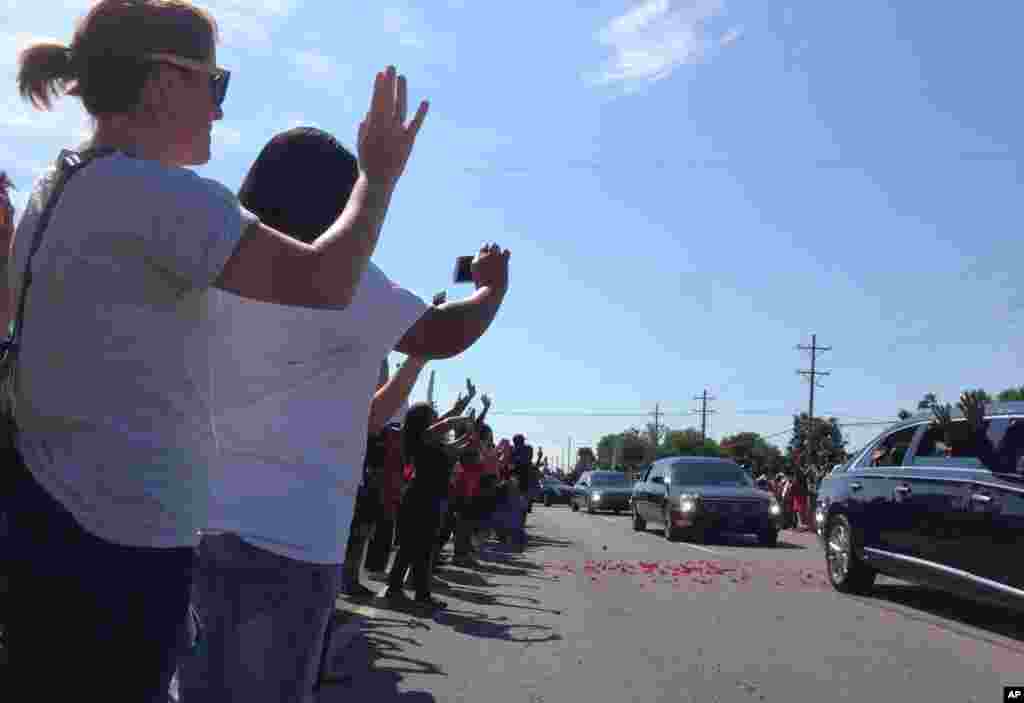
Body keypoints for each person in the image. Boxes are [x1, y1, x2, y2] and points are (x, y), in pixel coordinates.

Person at [5, 1, 426, 698]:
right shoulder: (158, 195)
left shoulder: (55, 188)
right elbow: (327, 279)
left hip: (49, 535)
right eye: (216, 83)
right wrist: (375, 180)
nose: (221, 113)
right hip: (121, 561)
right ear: (164, 81)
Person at [180, 127, 508, 702]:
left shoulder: (219, 265)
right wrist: (490, 290)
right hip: (295, 540)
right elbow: (446, 332)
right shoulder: (345, 282)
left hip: (198, 524)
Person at [383, 403, 475, 608]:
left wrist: (467, 435)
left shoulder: (432, 440)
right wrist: (463, 419)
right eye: (432, 414)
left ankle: (410, 592)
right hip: (421, 497)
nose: (436, 417)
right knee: (414, 547)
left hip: (431, 497)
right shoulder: (423, 437)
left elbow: (454, 448)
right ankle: (407, 592)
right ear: (423, 419)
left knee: (421, 547)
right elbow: (447, 423)